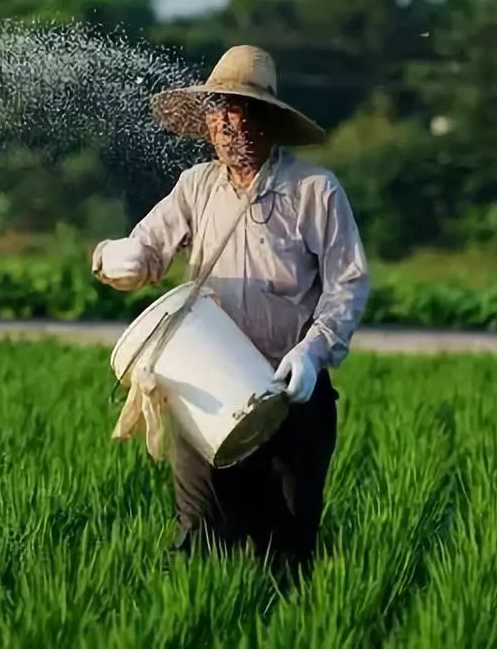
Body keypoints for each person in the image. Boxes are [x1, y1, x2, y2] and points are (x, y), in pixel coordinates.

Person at [92, 45, 370, 573]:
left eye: (239, 108)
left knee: (285, 552)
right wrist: (114, 257)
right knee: (198, 541)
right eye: (217, 108)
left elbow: (347, 285)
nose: (226, 121)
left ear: (267, 119)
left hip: (290, 393)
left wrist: (313, 351)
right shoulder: (196, 186)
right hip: (209, 395)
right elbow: (147, 248)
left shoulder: (314, 191)